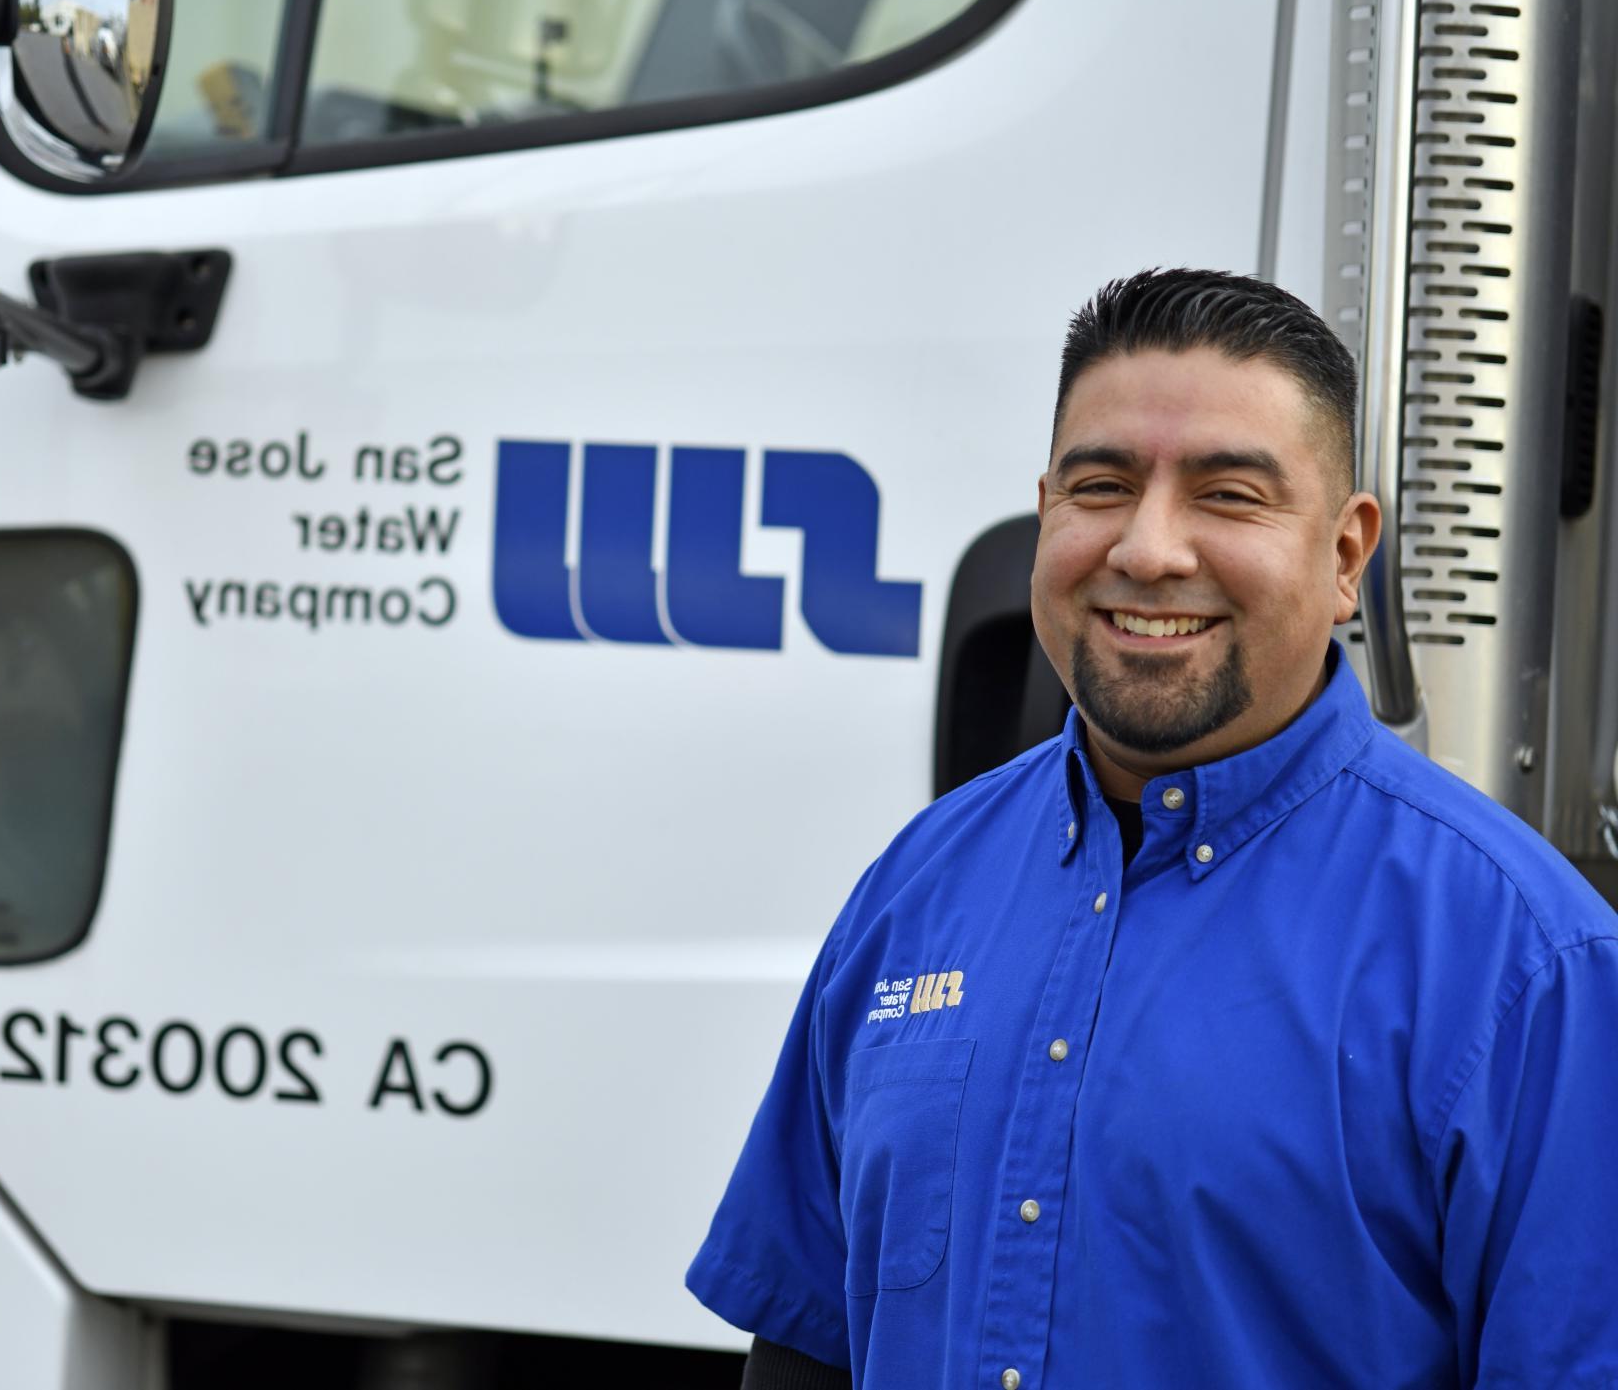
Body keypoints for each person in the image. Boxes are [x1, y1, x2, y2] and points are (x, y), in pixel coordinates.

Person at [686, 268, 1618, 1388]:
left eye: (1228, 495)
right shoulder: (916, 886)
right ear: (1046, 513)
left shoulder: (1528, 964)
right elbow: (802, 1348)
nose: (1148, 549)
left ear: (1344, 556)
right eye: (1102, 485)